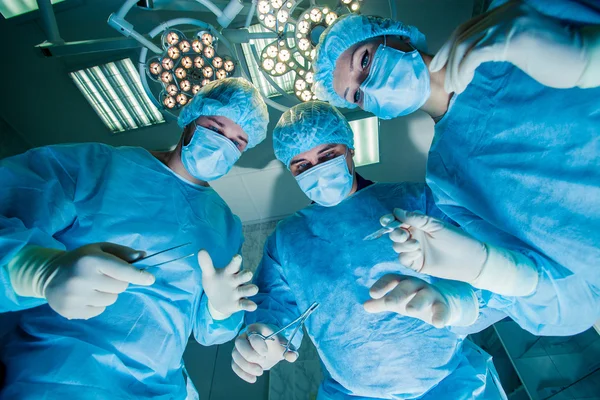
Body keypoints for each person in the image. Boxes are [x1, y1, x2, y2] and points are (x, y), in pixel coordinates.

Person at [312, 2, 600, 336]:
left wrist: (587, 54)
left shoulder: (508, 27)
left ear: (393, 35)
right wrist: (489, 270)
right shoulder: (447, 181)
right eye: (358, 94)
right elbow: (574, 301)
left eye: (364, 61)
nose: (370, 85)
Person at [0, 77, 268, 399]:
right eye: (215, 127)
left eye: (237, 142)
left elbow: (208, 330)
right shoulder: (99, 167)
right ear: (190, 117)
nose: (223, 144)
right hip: (60, 377)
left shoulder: (226, 225)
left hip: (160, 388)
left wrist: (221, 311)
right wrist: (37, 271)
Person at [231, 101, 507, 399]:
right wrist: (266, 338)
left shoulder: (415, 200)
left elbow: (481, 266)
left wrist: (466, 300)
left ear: (351, 149)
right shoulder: (286, 240)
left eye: (328, 155)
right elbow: (276, 310)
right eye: (303, 165)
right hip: (352, 393)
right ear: (292, 172)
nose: (318, 171)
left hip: (451, 384)